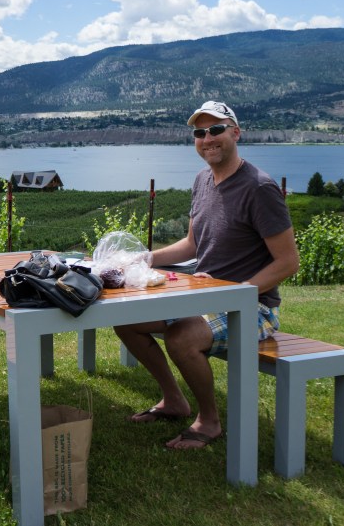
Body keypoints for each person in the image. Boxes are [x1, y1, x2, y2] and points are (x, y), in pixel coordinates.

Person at [114, 100, 299, 449]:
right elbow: (192, 245)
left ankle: (209, 421)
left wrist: (237, 294)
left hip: (254, 308)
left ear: (235, 132)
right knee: (127, 321)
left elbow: (288, 262)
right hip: (206, 298)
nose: (207, 138)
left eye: (216, 129)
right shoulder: (202, 180)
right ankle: (173, 400)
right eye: (200, 133)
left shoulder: (259, 188)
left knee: (182, 337)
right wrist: (142, 258)